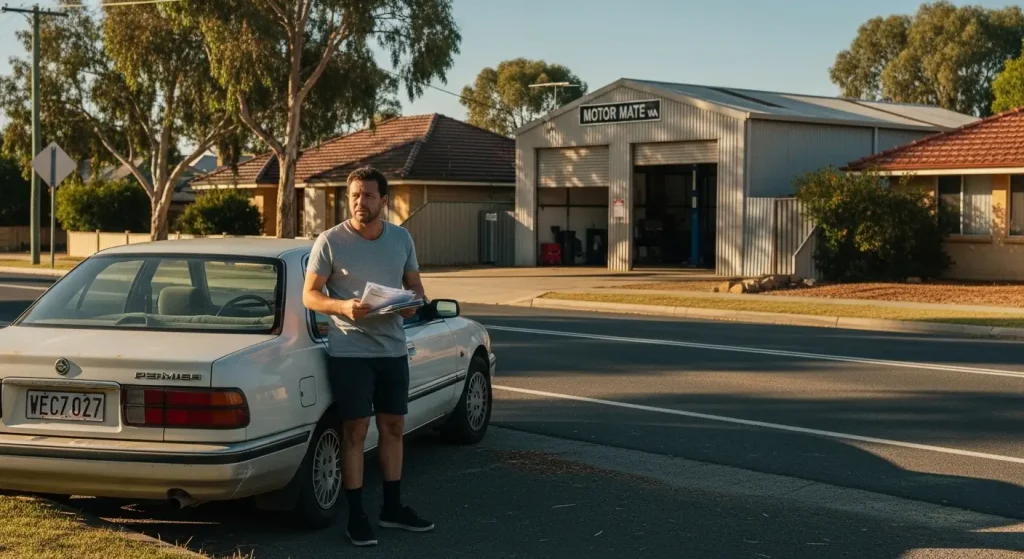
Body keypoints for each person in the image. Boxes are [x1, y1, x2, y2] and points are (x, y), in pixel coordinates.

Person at [302, 165, 431, 547]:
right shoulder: (330, 241)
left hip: (392, 349)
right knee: (355, 431)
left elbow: (415, 286)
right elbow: (310, 295)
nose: (360, 202)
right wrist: (342, 307)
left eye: (368, 195)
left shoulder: (401, 238)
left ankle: (392, 508)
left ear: (383, 200)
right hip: (350, 351)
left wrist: (413, 303)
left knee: (393, 428)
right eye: (355, 195)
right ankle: (356, 516)